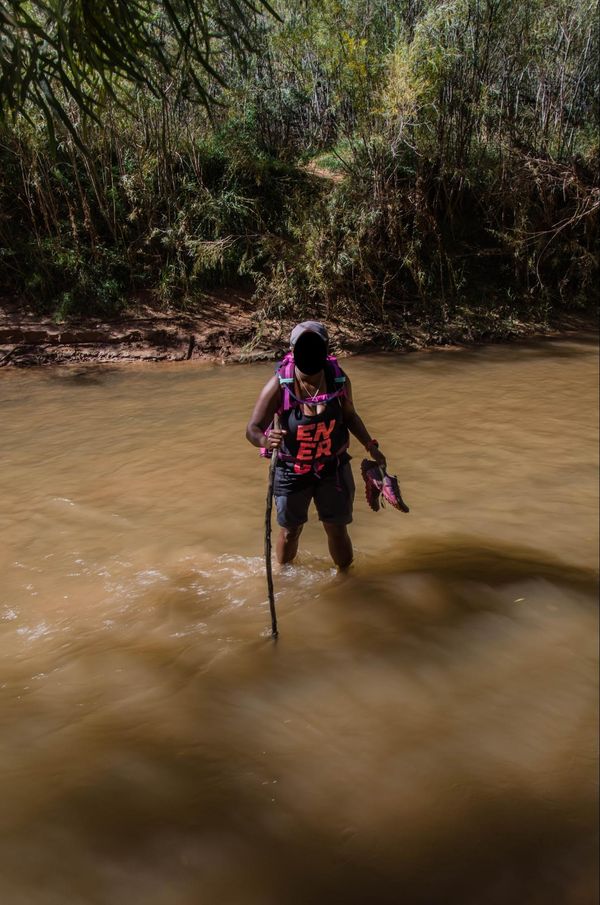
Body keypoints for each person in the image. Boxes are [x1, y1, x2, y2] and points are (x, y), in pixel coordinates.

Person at [246, 321, 387, 570]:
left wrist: (370, 444)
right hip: (292, 470)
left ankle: (346, 579)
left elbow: (351, 416)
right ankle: (285, 575)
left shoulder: (338, 380)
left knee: (337, 528)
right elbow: (252, 429)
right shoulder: (280, 384)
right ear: (293, 350)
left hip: (332, 467)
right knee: (291, 531)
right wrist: (266, 440)